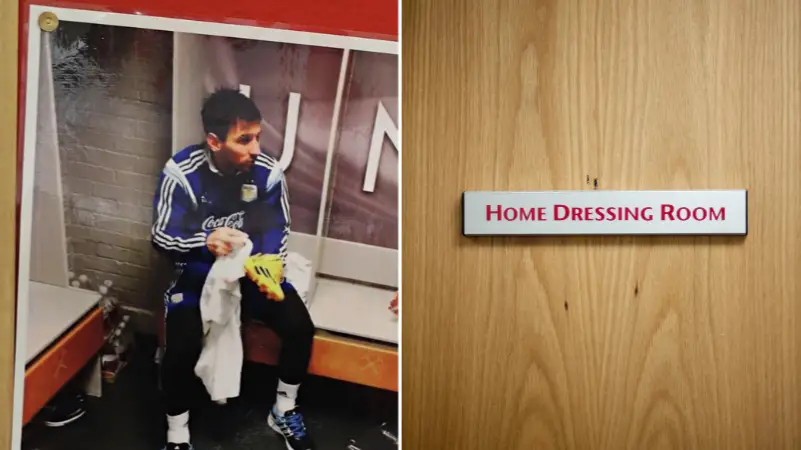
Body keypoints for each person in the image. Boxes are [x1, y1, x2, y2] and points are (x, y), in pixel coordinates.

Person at [151, 88, 316, 450]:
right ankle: (177, 434)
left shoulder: (267, 172)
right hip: (197, 273)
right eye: (244, 140)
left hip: (251, 269)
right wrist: (204, 241)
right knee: (180, 342)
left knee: (300, 326)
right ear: (214, 141)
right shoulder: (181, 173)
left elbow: (277, 227)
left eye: (257, 137)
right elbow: (162, 236)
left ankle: (284, 408)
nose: (255, 148)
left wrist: (270, 262)